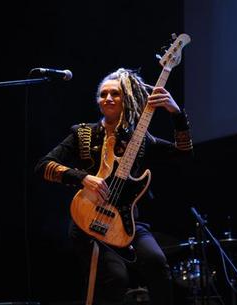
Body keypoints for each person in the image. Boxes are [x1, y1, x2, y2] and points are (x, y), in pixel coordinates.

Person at [34, 68, 193, 305]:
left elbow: (184, 153)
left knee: (157, 262)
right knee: (114, 278)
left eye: (115, 94)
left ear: (126, 99)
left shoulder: (140, 139)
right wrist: (82, 177)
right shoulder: (83, 133)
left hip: (128, 220)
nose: (108, 98)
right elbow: (43, 166)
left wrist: (176, 113)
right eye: (103, 94)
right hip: (90, 219)